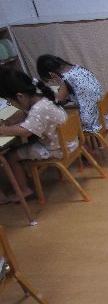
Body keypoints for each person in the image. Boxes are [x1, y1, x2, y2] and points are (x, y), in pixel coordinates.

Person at [0, 68, 74, 204]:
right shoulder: (42, 97)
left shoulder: (38, 109)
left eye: (10, 102)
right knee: (19, 146)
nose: (12, 105)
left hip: (56, 149)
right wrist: (11, 123)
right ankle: (25, 179)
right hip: (68, 141)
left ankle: (24, 189)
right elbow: (30, 119)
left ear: (20, 96)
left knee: (10, 156)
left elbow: (26, 131)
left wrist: (4, 130)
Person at [36, 54, 108, 133]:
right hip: (105, 114)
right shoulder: (77, 68)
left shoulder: (67, 78)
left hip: (93, 121)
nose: (52, 81)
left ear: (52, 74)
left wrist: (44, 90)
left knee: (60, 130)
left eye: (50, 80)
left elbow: (58, 99)